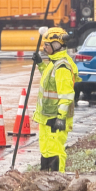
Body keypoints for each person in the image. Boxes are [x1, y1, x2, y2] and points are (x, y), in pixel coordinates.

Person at [31, 27, 79, 172]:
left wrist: (60, 118)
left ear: (56, 45)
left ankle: (58, 180)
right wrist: (40, 63)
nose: (44, 47)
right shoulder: (53, 63)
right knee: (46, 150)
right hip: (46, 117)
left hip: (55, 119)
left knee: (55, 152)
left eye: (47, 44)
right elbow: (49, 81)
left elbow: (66, 96)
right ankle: (45, 179)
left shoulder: (62, 67)